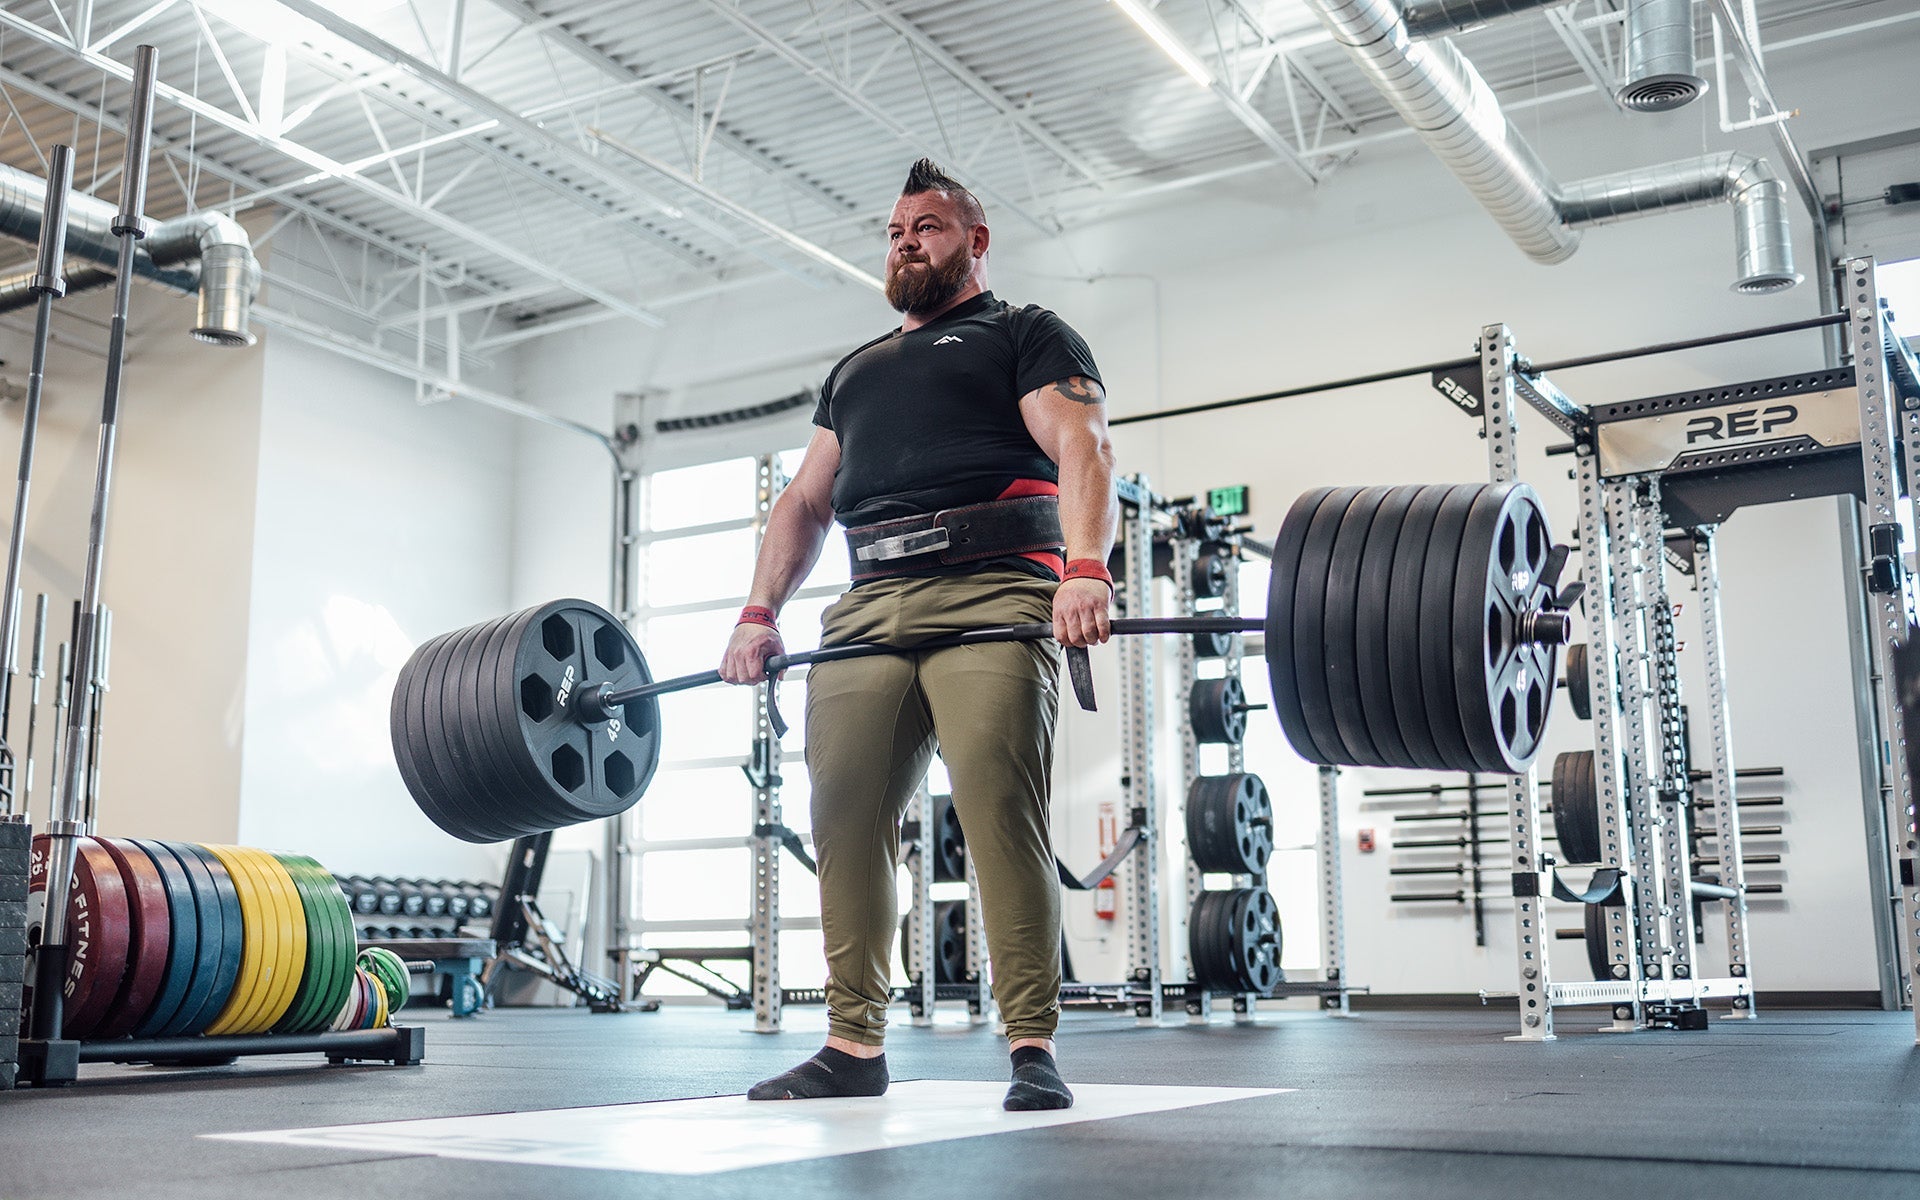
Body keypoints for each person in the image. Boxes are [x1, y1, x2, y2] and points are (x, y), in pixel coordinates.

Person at [718, 158, 1116, 1112]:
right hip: (870, 605)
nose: (906, 243)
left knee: (994, 807)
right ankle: (853, 1046)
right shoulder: (853, 372)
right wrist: (758, 612)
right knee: (845, 816)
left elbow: (1083, 445)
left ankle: (1030, 1045)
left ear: (974, 242)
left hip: (992, 590)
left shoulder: (1022, 334)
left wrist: (1087, 567)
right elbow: (805, 507)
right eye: (896, 231)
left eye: (927, 228)